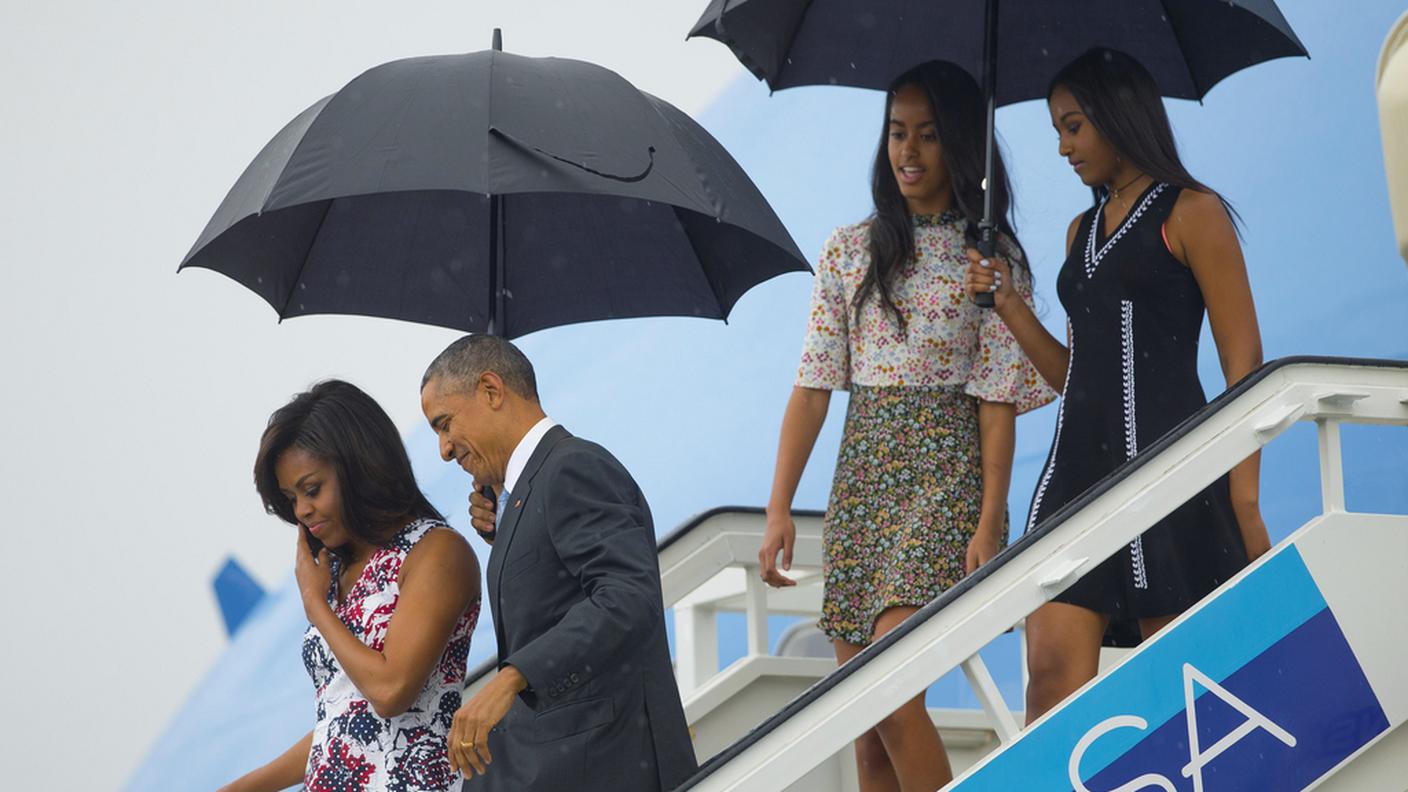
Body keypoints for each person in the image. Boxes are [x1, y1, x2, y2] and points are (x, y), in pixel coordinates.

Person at [758, 61, 1054, 791]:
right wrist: (777, 508)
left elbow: (997, 402)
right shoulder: (847, 249)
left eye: (927, 134)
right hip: (862, 482)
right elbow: (813, 390)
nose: (909, 152)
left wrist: (992, 520)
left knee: (891, 693)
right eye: (897, 133)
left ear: (961, 146)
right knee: (865, 727)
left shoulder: (994, 258)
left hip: (945, 478)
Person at [964, 47, 1272, 723]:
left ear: (1117, 116)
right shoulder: (1081, 230)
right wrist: (1012, 304)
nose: (1063, 147)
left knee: (1180, 693)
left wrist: (1242, 494)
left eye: (1073, 126)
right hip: (1074, 477)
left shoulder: (1194, 211)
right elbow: (1077, 377)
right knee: (1047, 682)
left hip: (1171, 467)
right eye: (1056, 131)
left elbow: (1243, 360)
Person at [420, 334, 696, 792]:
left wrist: (512, 678)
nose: (445, 449)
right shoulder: (529, 489)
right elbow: (559, 595)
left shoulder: (573, 467)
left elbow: (628, 598)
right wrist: (505, 527)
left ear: (491, 390)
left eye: (445, 424)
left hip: (606, 763)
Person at [222, 380, 481, 792]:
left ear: (359, 468)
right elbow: (342, 720)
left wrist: (314, 604)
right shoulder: (336, 573)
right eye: (291, 499)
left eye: (311, 489)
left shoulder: (435, 552)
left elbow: (390, 690)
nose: (302, 511)